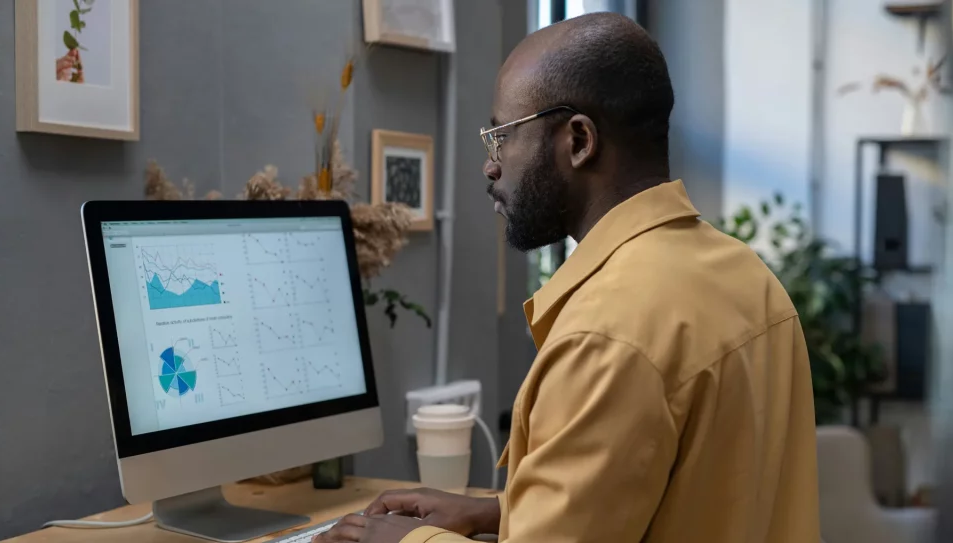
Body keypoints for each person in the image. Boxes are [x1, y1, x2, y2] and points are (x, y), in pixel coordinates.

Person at [316, 12, 819, 543]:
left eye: (501, 138)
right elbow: (687, 496)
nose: (491, 166)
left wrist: (400, 541)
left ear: (579, 140)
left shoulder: (607, 333)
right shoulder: (747, 275)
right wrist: (500, 513)